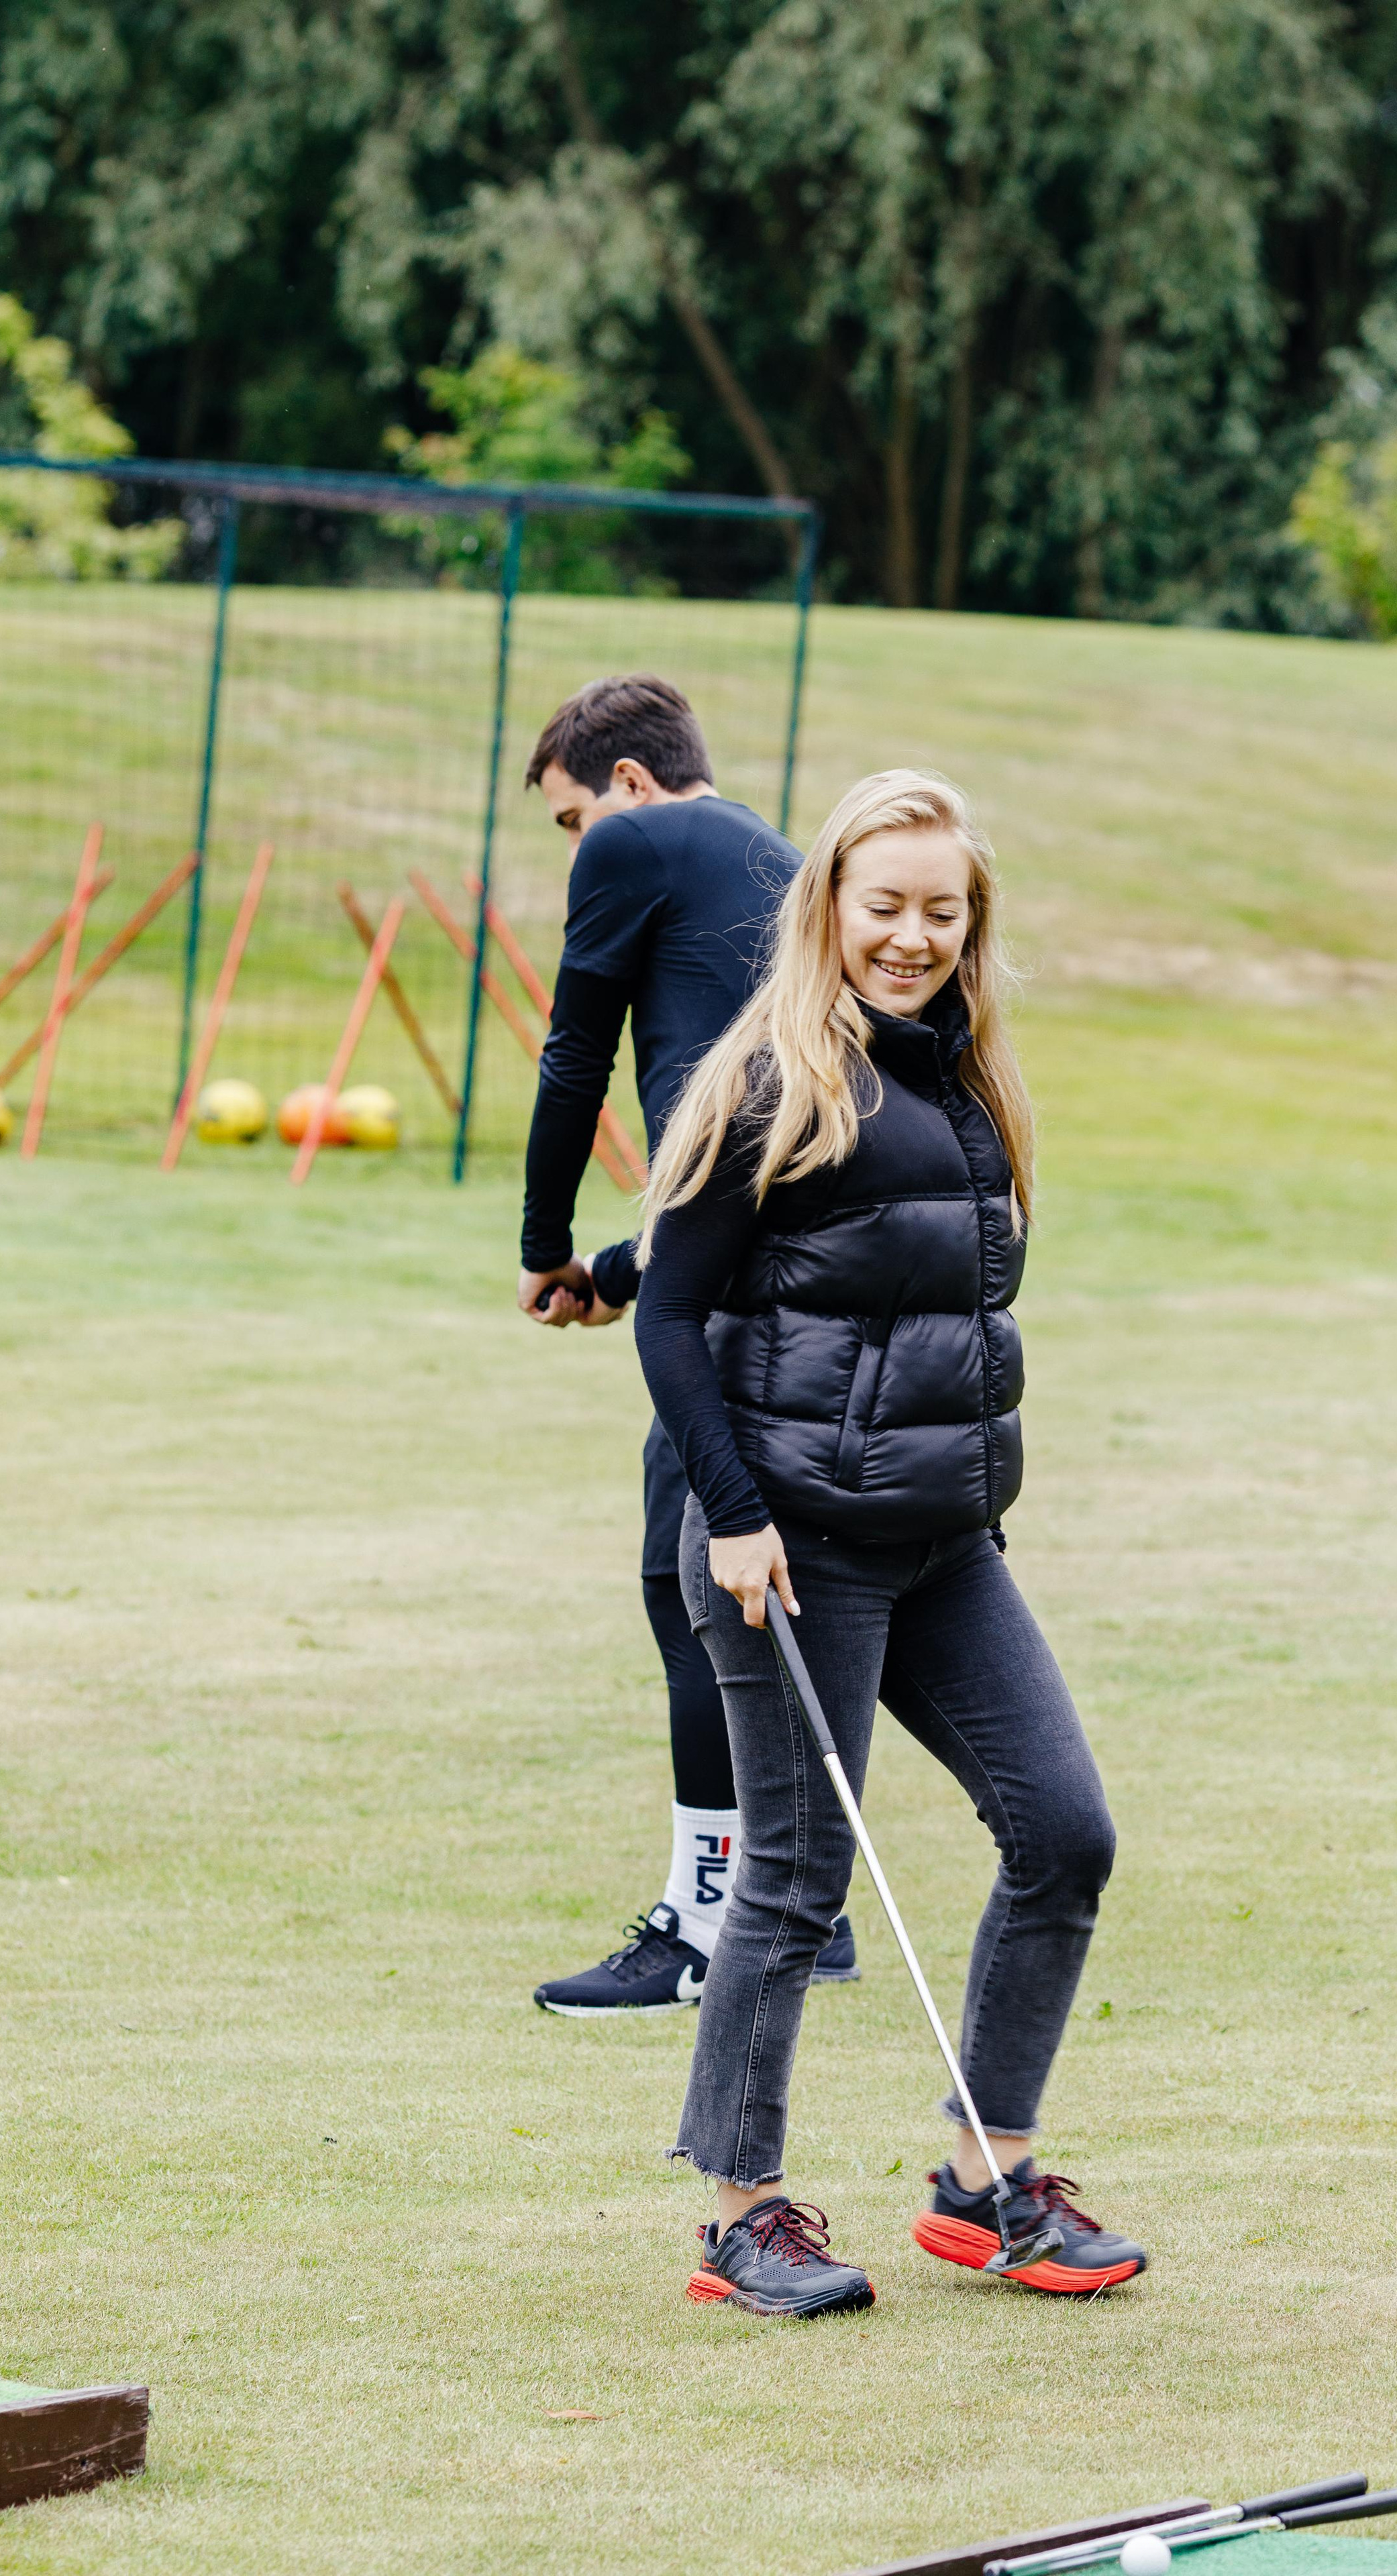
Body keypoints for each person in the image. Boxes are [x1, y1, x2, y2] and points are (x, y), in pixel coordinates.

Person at [632, 767, 1147, 2318]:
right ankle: (741, 2214)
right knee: (794, 1883)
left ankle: (987, 2183)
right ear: (829, 910)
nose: (910, 936)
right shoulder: (769, 1081)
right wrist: (729, 1513)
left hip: (944, 1545)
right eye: (885, 907)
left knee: (1064, 1834)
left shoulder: (970, 1084)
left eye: (941, 910)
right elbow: (668, 1311)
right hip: (786, 1546)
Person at [517, 674, 857, 2015]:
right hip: (807, 1271)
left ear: (632, 785)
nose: (576, 847)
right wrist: (617, 1268)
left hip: (726, 1293)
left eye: (568, 817)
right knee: (774, 1588)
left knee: (690, 1584)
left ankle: (707, 1921)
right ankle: (803, 1910)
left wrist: (543, 1243)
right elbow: (750, 1140)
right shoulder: (775, 859)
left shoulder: (632, 842)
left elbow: (569, 1062)